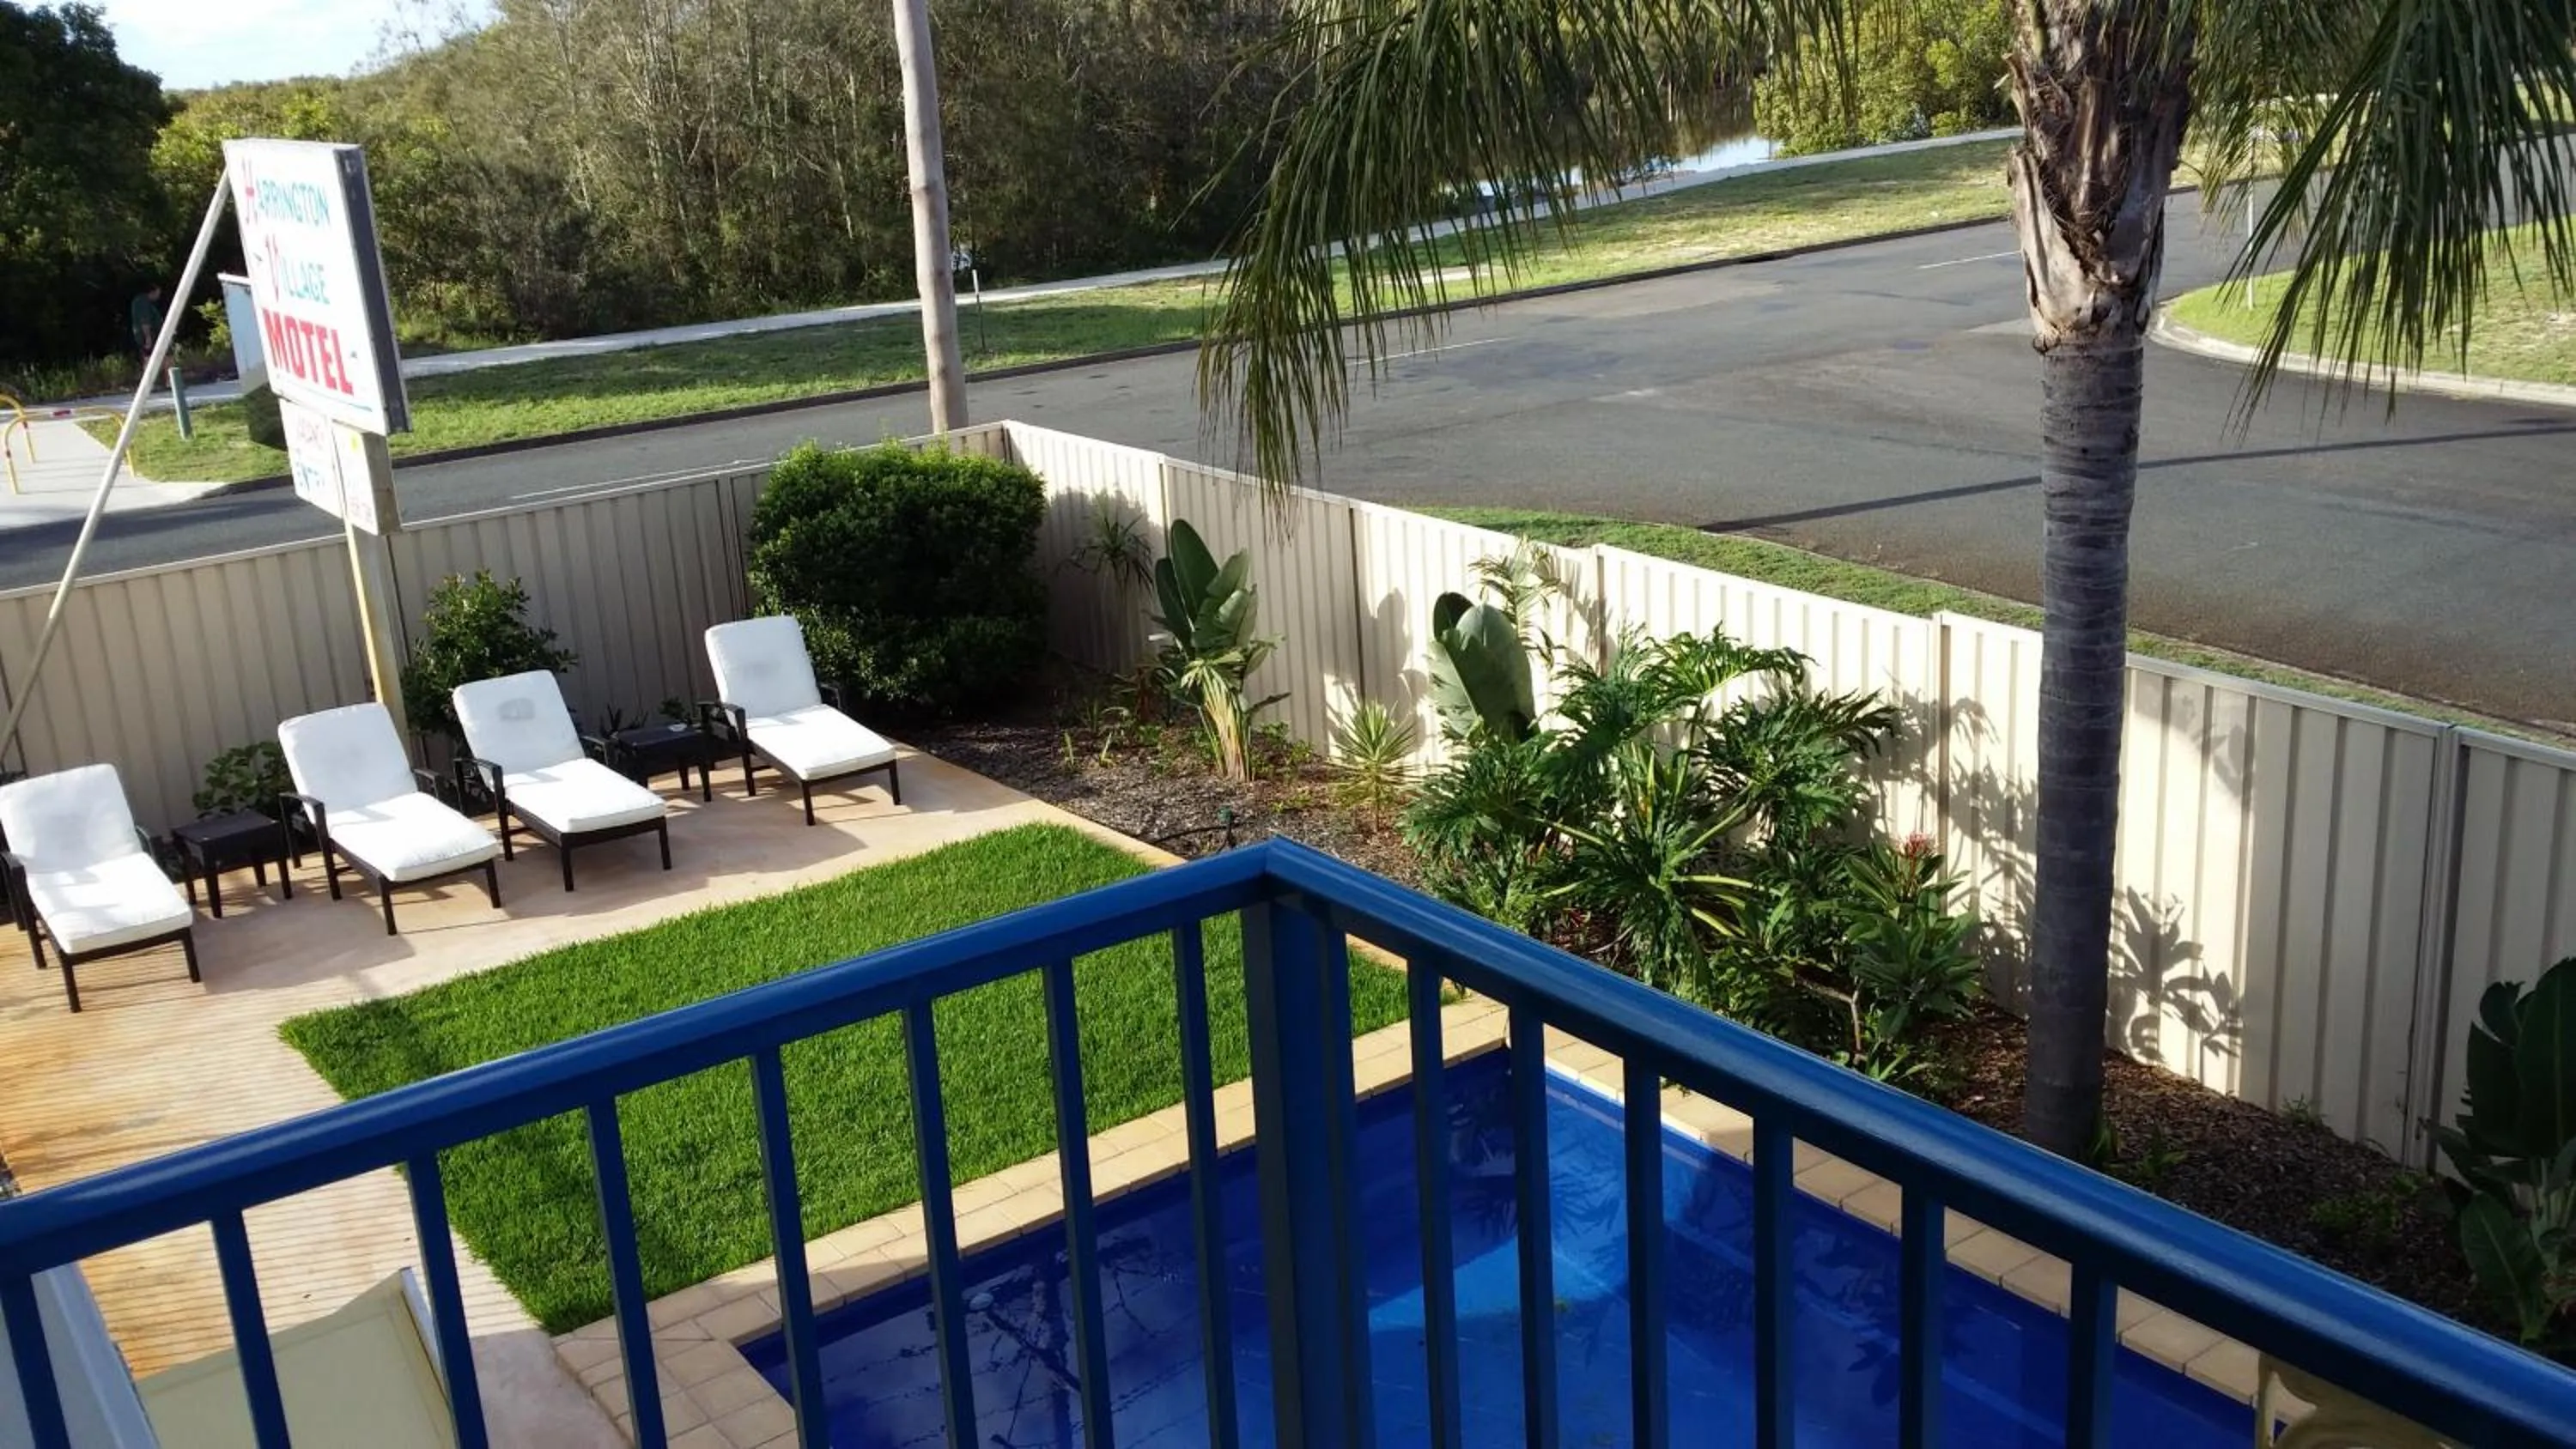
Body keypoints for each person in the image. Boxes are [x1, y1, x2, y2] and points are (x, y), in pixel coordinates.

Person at [128, 284, 165, 362]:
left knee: (158, 360)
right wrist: (148, 338)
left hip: (151, 336)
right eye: (158, 293)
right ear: (152, 292)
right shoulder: (142, 302)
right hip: (148, 337)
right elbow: (144, 321)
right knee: (150, 360)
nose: (159, 296)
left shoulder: (147, 303)